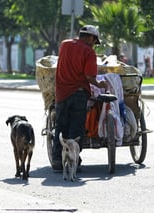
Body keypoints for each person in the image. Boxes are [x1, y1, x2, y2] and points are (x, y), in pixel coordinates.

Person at [52, 25, 108, 170]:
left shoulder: (64, 44)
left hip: (61, 93)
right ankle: (73, 160)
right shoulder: (88, 52)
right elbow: (89, 76)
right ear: (90, 38)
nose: (94, 46)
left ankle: (57, 160)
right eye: (94, 42)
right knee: (76, 129)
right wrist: (100, 83)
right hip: (78, 93)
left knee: (60, 126)